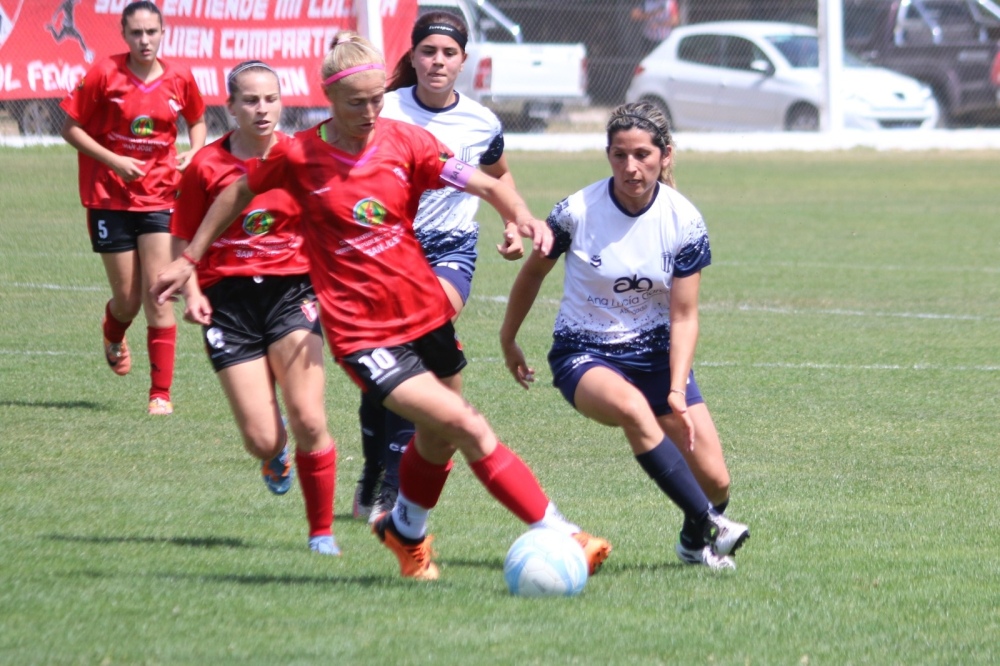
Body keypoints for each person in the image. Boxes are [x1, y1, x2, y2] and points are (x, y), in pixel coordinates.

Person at [152, 31, 611, 582]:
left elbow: (483, 184)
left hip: (425, 314)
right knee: (466, 424)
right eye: (356, 102)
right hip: (362, 334)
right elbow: (238, 192)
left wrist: (520, 215)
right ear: (329, 97)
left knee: (438, 438)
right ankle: (562, 531)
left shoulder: (405, 142)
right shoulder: (300, 156)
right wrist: (191, 257)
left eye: (377, 99)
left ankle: (404, 530)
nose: (371, 111)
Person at [500, 101, 750, 570]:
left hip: (657, 359)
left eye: (642, 155)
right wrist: (508, 336)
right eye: (619, 155)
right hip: (584, 352)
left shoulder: (684, 220)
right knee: (634, 410)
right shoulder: (577, 211)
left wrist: (676, 389)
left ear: (666, 155)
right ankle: (713, 526)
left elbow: (684, 315)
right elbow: (532, 272)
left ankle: (693, 539)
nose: (630, 167)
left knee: (716, 481)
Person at [351, 10, 525, 523]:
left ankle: (394, 494)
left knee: (415, 352)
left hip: (450, 250)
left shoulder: (481, 121)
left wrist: (512, 222)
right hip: (385, 250)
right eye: (428, 51)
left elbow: (499, 174)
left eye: (448, 53)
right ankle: (376, 473)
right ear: (413, 55)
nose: (437, 61)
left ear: (463, 61)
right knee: (382, 372)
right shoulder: (384, 111)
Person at [169, 61, 338, 556]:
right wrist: (193, 291)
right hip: (228, 302)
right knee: (263, 439)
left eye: (269, 99)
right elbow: (183, 235)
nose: (261, 109)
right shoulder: (206, 165)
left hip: (291, 292)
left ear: (282, 102)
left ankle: (321, 533)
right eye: (249, 100)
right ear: (231, 107)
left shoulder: (302, 157)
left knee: (309, 417)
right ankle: (274, 455)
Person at [60, 0, 206, 415]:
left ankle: (159, 394)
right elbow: (69, 126)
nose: (145, 40)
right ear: (124, 35)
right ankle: (113, 330)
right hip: (109, 198)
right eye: (137, 33)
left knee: (158, 292)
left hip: (161, 196)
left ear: (163, 33)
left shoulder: (180, 77)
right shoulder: (104, 73)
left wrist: (195, 152)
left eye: (152, 32)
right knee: (126, 299)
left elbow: (197, 119)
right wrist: (114, 161)